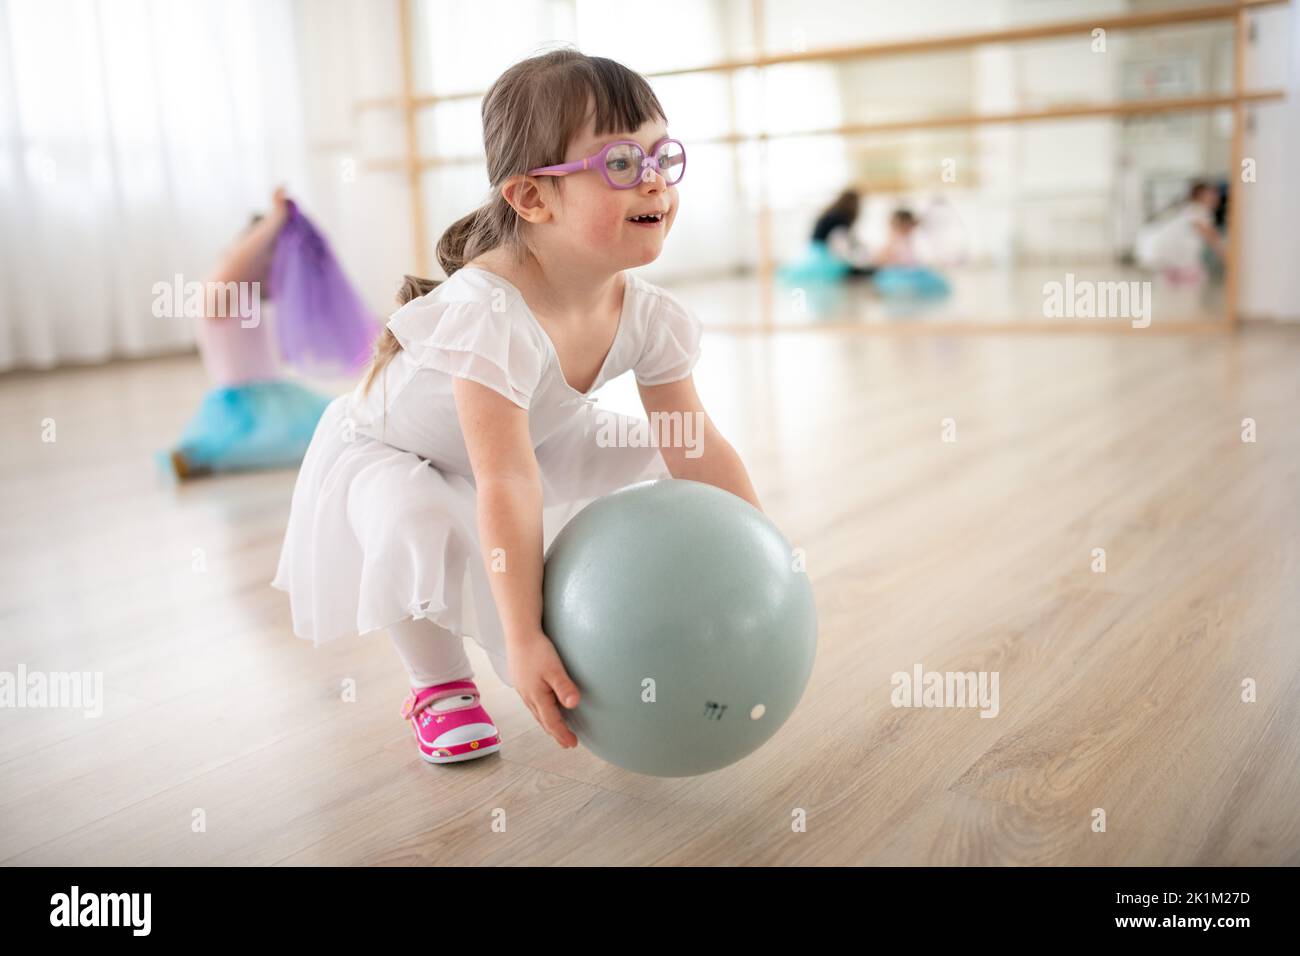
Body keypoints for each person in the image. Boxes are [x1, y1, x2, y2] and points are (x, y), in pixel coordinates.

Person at [271, 49, 762, 766]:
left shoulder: (649, 314)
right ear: (533, 198)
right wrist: (526, 634)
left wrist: (760, 555)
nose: (654, 178)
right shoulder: (486, 312)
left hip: (532, 428)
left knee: (659, 451)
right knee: (420, 525)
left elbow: (694, 443)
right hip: (398, 449)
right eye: (621, 163)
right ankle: (438, 686)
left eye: (662, 156)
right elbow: (505, 481)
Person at [159, 187, 363, 480]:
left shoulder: (256, 298)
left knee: (336, 425)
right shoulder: (218, 293)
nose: (274, 273)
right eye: (269, 263)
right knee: (275, 440)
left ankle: (207, 457)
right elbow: (235, 264)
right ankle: (200, 456)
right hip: (239, 408)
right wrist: (275, 219)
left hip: (279, 395)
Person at [1134, 179, 1225, 284]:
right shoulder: (1197, 211)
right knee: (1194, 277)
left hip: (1168, 249)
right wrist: (1227, 258)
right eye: (1211, 193)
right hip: (1169, 249)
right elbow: (1213, 239)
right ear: (1201, 196)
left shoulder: (1196, 210)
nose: (1216, 196)